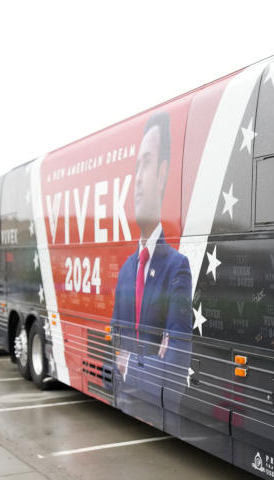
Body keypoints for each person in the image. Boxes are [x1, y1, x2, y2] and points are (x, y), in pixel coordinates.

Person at [111, 111, 192, 386]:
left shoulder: (176, 266)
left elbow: (176, 363)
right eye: (135, 168)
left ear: (161, 174)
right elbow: (114, 346)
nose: (137, 178)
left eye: (145, 164)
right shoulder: (125, 272)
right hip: (124, 402)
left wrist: (129, 366)